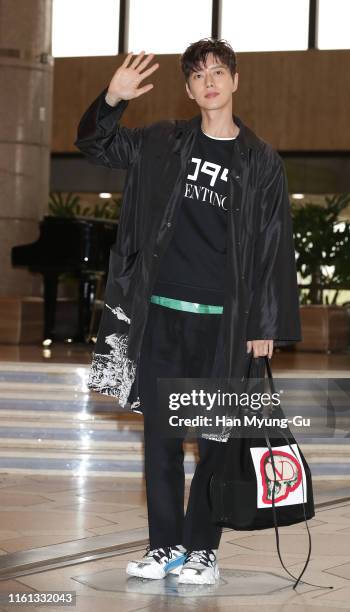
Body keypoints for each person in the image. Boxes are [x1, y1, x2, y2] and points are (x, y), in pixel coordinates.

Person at [74, 38, 301, 585]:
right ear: (189, 89)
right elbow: (95, 145)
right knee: (162, 441)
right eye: (199, 75)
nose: (210, 82)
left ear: (235, 80)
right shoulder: (162, 143)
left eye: (219, 72)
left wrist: (265, 325)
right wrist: (111, 98)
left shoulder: (260, 160)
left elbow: (273, 243)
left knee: (216, 444)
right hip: (161, 316)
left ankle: (203, 549)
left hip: (223, 325)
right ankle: (165, 547)